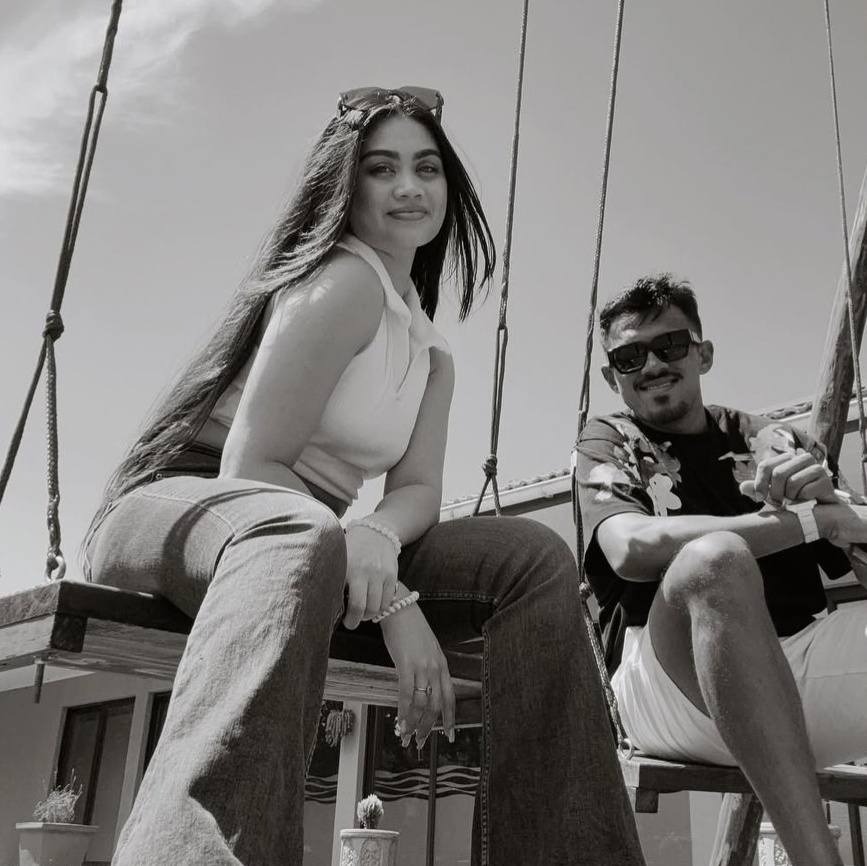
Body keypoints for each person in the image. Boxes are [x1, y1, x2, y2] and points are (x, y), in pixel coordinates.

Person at [83, 87, 646, 866]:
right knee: (300, 533)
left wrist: (377, 536)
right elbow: (251, 466)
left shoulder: (431, 353)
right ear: (345, 189)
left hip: (318, 540)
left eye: (426, 168)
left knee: (531, 557)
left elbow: (417, 490)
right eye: (381, 170)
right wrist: (395, 604)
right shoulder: (341, 283)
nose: (408, 187)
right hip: (188, 507)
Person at [576, 274, 867, 866]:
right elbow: (631, 548)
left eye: (670, 345)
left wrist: (840, 512)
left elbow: (850, 543)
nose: (652, 365)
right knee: (715, 560)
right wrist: (807, 522)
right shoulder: (611, 439)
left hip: (798, 667)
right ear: (612, 378)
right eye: (630, 356)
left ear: (703, 354)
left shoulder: (773, 440)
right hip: (669, 686)